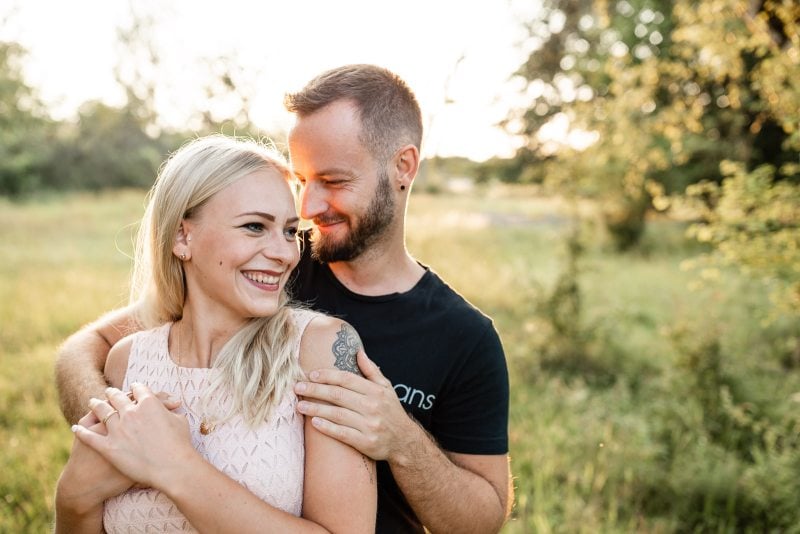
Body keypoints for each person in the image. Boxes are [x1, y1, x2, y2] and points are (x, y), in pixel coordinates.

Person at [56, 64, 512, 533]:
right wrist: (117, 431)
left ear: (403, 167)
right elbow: (87, 348)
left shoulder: (463, 336)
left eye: (333, 181)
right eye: (302, 181)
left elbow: (482, 520)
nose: (308, 208)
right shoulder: (269, 271)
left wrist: (401, 441)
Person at [54, 134, 376, 533]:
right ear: (182, 237)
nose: (284, 253)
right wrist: (73, 495)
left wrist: (176, 466)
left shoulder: (320, 349)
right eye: (255, 227)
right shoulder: (128, 361)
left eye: (290, 231)